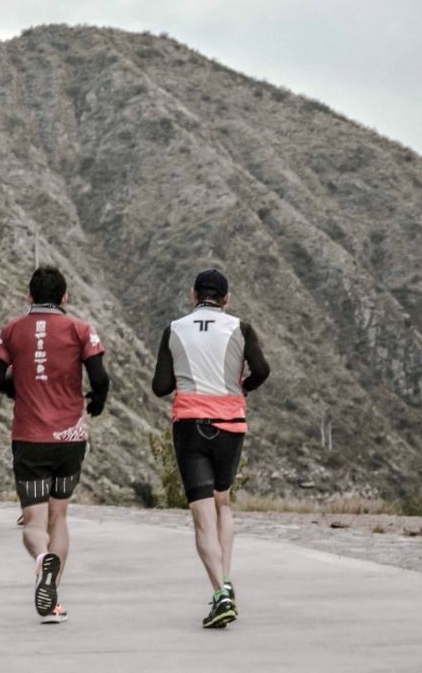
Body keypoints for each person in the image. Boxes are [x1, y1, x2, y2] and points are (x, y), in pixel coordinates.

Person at [0, 266, 109, 624]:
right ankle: (53, 595)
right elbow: (100, 377)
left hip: (29, 437)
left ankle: (41, 561)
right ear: (65, 297)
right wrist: (96, 401)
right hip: (69, 438)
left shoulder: (12, 330)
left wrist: (19, 386)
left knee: (34, 520)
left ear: (29, 296)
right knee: (60, 515)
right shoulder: (81, 330)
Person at [151, 268, 270, 629]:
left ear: (193, 295)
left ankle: (220, 594)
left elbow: (160, 386)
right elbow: (262, 370)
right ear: (227, 298)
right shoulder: (241, 328)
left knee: (202, 515)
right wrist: (242, 386)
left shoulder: (174, 328)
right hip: (231, 425)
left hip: (190, 427)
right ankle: (227, 581)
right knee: (223, 503)